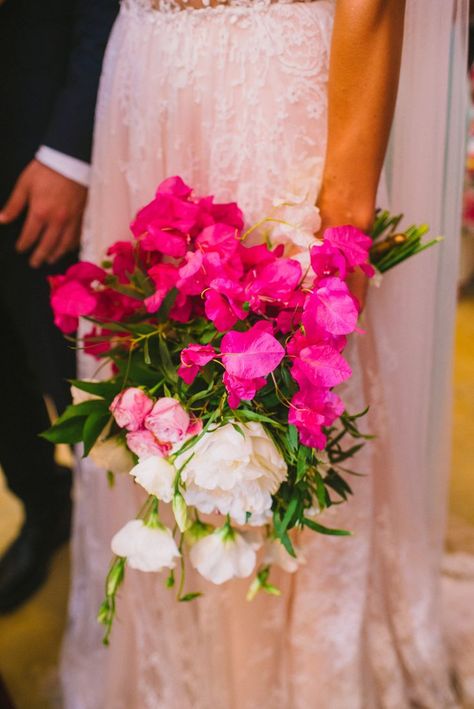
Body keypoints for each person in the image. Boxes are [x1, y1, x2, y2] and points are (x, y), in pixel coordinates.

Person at [61, 0, 472, 707]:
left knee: (278, 393)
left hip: (271, 87)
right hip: (144, 75)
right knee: (149, 380)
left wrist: (347, 213)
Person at [0, 0, 118, 613]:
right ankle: (44, 509)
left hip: (37, 141)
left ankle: (117, 546)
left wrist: (69, 151)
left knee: (77, 374)